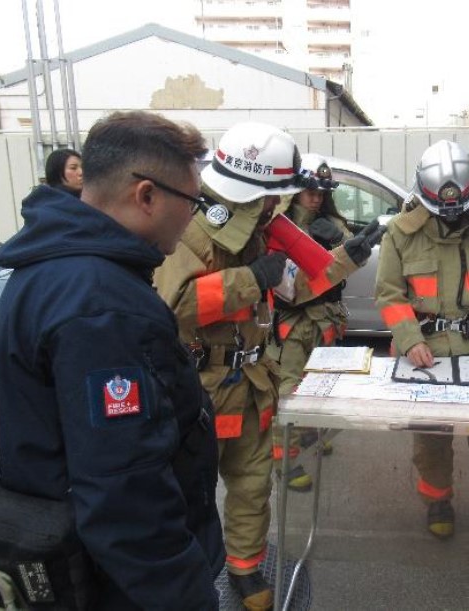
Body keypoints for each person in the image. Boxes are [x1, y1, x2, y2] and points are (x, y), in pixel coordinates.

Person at [0, 111, 224, 608]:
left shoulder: (52, 266)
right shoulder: (103, 306)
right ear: (147, 196)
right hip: (116, 583)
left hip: (71, 550)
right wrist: (186, 595)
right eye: (193, 201)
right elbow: (125, 490)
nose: (194, 217)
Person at [154, 122, 384, 610]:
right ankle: (185, 578)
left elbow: (294, 287)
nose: (278, 203)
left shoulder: (263, 229)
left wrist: (348, 257)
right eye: (272, 195)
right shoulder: (193, 228)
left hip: (254, 383)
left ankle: (244, 569)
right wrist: (249, 278)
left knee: (253, 485)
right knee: (190, 494)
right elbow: (174, 306)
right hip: (202, 389)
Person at [374, 140, 469, 541]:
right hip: (425, 352)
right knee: (431, 438)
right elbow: (389, 294)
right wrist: (409, 339)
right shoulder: (401, 233)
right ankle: (438, 502)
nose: (452, 216)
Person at [265, 154, 350, 492]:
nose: (316, 198)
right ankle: (285, 462)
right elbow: (282, 282)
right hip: (293, 323)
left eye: (322, 193)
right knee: (288, 393)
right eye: (310, 191)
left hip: (325, 320)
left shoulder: (332, 223)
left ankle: (311, 432)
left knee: (320, 385)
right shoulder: (277, 225)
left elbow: (348, 261)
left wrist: (341, 242)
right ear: (295, 191)